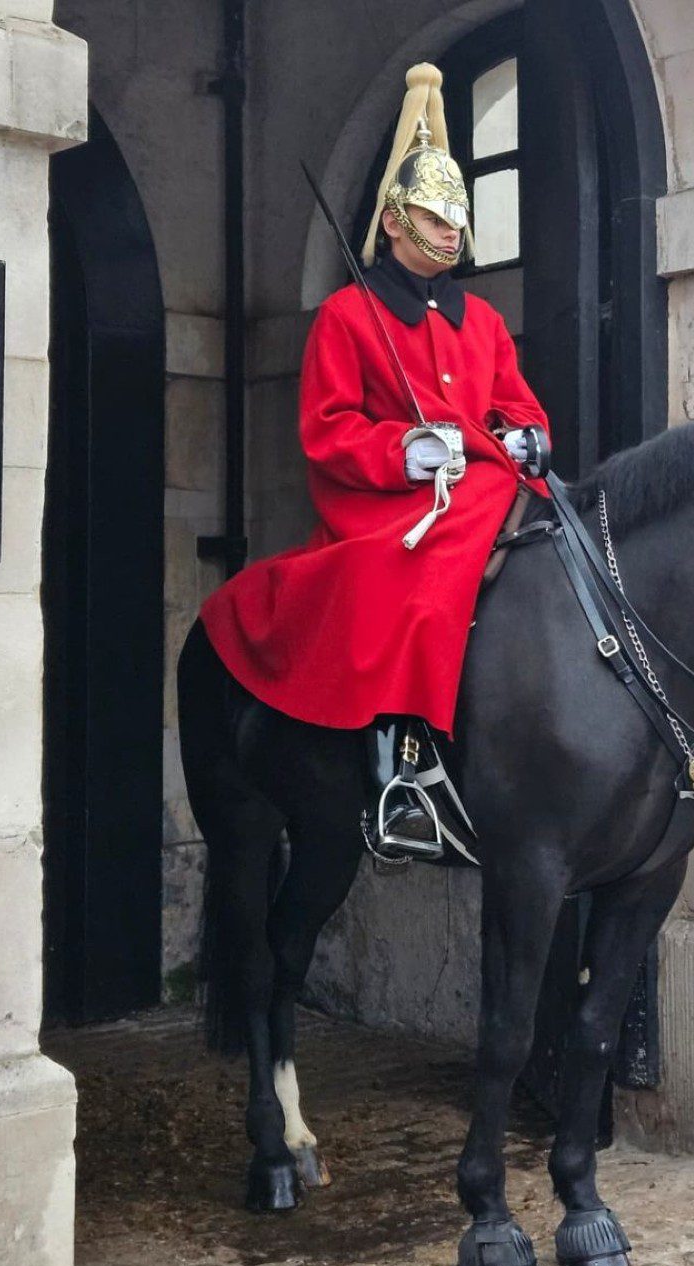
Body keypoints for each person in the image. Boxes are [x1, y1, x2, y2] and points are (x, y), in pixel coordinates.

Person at [198, 63, 552, 862]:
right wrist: (405, 451)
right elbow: (327, 429)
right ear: (394, 221)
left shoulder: (482, 321)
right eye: (434, 216)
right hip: (391, 504)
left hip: (487, 483)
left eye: (457, 218)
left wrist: (529, 437)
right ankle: (403, 761)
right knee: (411, 581)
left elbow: (517, 404)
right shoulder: (347, 316)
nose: (451, 231)